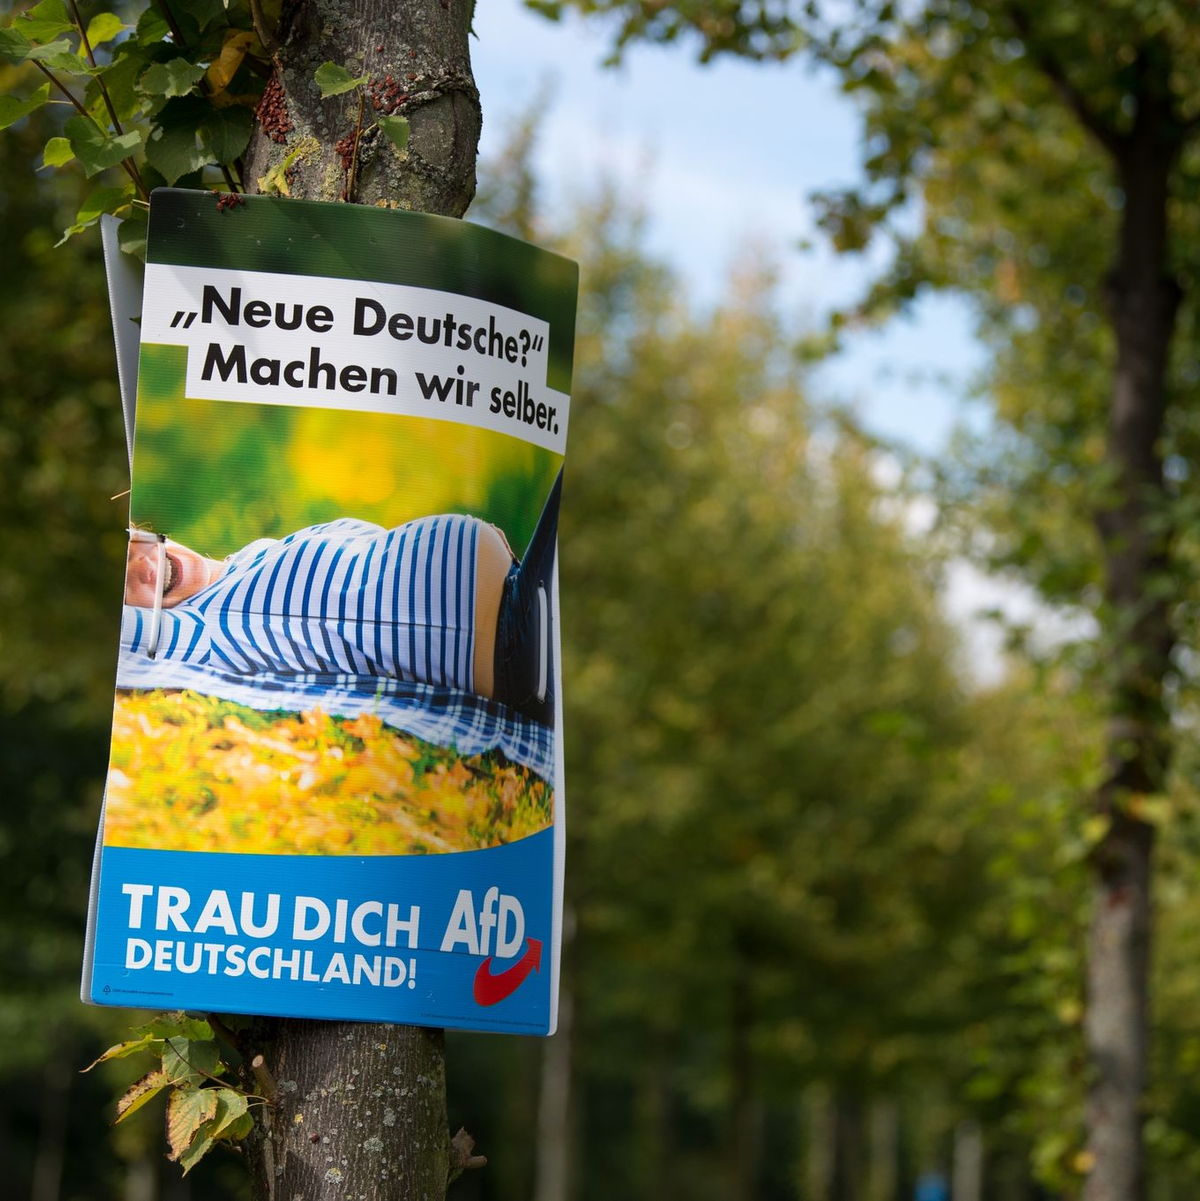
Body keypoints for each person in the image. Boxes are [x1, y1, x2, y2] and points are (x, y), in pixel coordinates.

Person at [122, 472, 562, 725]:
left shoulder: (253, 556)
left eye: (133, 549)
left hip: (517, 585)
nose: (142, 567)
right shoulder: (202, 630)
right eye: (125, 586)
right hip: (509, 646)